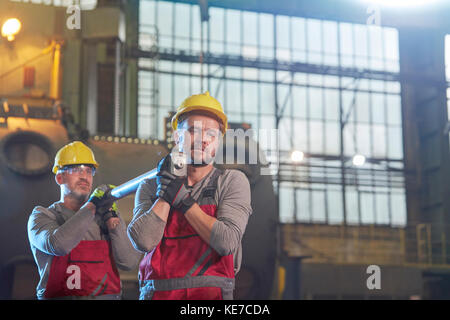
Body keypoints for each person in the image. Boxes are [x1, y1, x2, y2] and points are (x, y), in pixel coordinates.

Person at [128, 91, 253, 300]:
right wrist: (165, 195)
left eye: (211, 134)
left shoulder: (231, 181)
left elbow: (226, 242)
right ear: (177, 137)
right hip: (156, 294)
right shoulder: (151, 186)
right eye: (194, 131)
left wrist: (184, 200)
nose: (203, 140)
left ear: (218, 142)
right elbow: (143, 241)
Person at [27, 141, 140, 299]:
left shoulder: (105, 215)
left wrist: (112, 219)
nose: (84, 176)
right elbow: (58, 245)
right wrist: (92, 204)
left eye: (89, 170)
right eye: (76, 169)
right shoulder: (42, 216)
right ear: (59, 178)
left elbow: (128, 262)